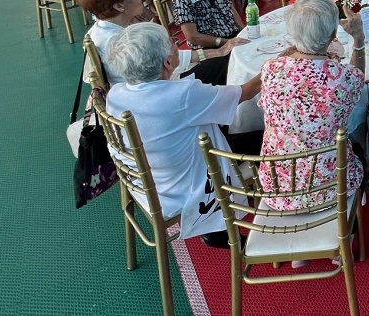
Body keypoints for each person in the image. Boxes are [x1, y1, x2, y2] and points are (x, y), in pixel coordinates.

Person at [103, 23, 261, 242]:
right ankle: (219, 226)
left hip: (146, 179)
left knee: (218, 130)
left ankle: (213, 226)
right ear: (168, 62)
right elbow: (244, 93)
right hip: (185, 186)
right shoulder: (183, 95)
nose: (176, 44)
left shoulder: (115, 94)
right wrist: (275, 65)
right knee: (265, 138)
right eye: (172, 42)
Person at [258, 0, 366, 210]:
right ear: (334, 33)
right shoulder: (343, 78)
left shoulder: (271, 68)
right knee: (361, 147)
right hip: (330, 188)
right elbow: (358, 77)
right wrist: (359, 40)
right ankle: (350, 226)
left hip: (277, 187)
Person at [80, 0, 246, 85]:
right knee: (225, 65)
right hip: (155, 93)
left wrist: (218, 51)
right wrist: (218, 52)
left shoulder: (102, 30)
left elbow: (167, 58)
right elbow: (163, 67)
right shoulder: (120, 40)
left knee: (220, 58)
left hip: (153, 84)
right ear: (119, 6)